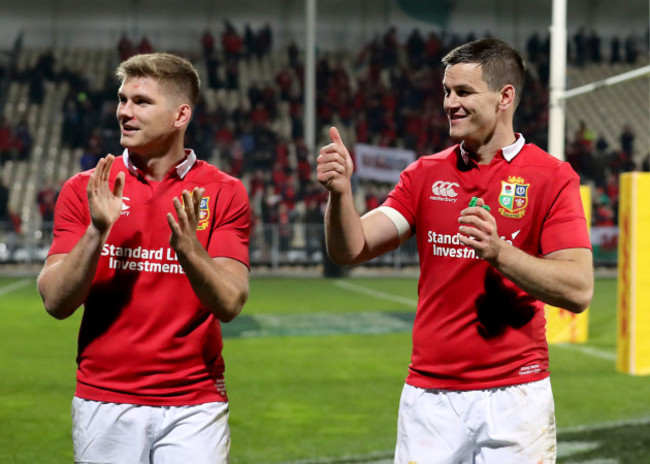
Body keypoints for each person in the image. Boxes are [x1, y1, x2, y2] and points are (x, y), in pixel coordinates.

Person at [317, 38, 593, 464]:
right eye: (447, 91)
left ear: (505, 97)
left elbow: (577, 289)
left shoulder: (552, 177)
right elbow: (351, 247)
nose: (450, 103)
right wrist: (340, 195)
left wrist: (498, 252)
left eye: (463, 92)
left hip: (515, 398)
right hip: (430, 399)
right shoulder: (424, 174)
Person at [37, 52, 251, 463]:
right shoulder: (87, 188)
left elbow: (230, 303)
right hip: (104, 399)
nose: (124, 112)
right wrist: (97, 230)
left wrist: (189, 251)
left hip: (195, 403)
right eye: (122, 99)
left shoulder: (224, 192)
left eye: (141, 102)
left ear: (180, 115)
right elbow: (55, 302)